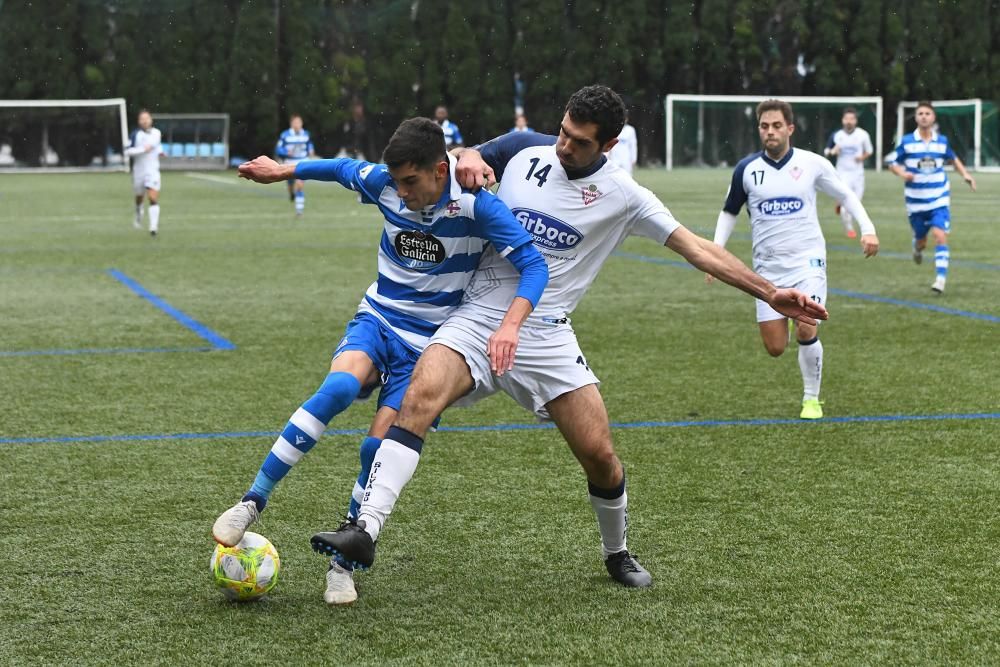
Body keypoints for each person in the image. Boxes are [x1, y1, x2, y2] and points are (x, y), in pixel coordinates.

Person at [308, 86, 829, 597]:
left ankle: (617, 551)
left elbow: (696, 248)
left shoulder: (626, 196)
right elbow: (454, 158)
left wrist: (769, 291)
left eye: (579, 141)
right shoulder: (523, 151)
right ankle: (365, 530)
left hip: (547, 334)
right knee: (419, 397)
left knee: (600, 455)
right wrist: (467, 157)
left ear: (608, 144)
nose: (563, 146)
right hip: (479, 316)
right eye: (562, 131)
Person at [212, 118, 549, 605]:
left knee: (379, 450)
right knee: (338, 390)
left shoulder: (477, 204)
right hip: (378, 318)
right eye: (396, 181)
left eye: (411, 182)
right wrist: (284, 170)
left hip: (428, 345)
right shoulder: (386, 184)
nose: (401, 192)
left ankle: (342, 566)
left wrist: (511, 325)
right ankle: (251, 502)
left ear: (440, 169)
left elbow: (534, 266)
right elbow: (344, 168)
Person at [709, 99, 880, 420]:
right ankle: (787, 316)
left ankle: (811, 400)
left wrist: (867, 228)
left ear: (790, 128)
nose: (770, 132)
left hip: (807, 262)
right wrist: (715, 255)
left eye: (776, 126)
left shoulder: (813, 163)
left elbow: (845, 195)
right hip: (767, 269)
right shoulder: (747, 169)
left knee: (806, 326)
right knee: (775, 347)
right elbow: (729, 212)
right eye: (764, 126)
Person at [887, 101, 976, 294]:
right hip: (916, 202)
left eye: (928, 113)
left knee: (940, 235)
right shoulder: (907, 142)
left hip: (939, 198)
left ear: (933, 117)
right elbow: (892, 163)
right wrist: (903, 174)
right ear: (916, 118)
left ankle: (940, 280)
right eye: (920, 113)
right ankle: (917, 248)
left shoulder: (941, 141)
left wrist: (966, 175)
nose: (924, 116)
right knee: (921, 241)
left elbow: (953, 159)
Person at [823, 107, 873, 238]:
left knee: (857, 202)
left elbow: (869, 151)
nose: (849, 121)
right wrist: (833, 152)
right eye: (846, 119)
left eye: (851, 119)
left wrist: (861, 157)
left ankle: (839, 202)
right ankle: (849, 228)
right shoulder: (837, 135)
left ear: (855, 121)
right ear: (842, 120)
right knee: (848, 203)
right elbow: (826, 151)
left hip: (858, 174)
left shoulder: (863, 135)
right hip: (842, 174)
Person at [124, 109, 162, 237]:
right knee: (139, 197)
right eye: (142, 119)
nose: (145, 121)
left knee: (152, 197)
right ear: (139, 121)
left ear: (151, 119)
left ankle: (153, 227)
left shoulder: (157, 133)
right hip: (138, 171)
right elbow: (128, 151)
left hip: (152, 171)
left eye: (147, 118)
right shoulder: (135, 135)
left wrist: (157, 151)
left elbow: (154, 146)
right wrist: (141, 149)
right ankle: (138, 213)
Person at [275, 114, 316, 216]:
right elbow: (278, 149)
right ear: (292, 124)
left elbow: (309, 144)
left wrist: (311, 149)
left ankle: (299, 211)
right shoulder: (285, 135)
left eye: (299, 122)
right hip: (289, 162)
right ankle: (291, 194)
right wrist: (285, 152)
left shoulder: (305, 134)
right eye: (296, 122)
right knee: (290, 185)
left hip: (302, 161)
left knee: (299, 185)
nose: (298, 124)